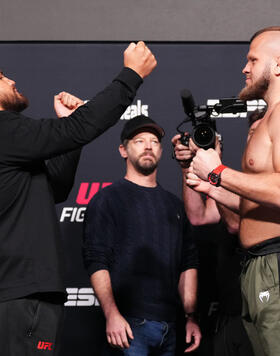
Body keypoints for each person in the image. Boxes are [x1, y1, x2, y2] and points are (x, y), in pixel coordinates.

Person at [0, 41, 157, 356]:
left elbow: (54, 189)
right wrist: (131, 75)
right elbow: (80, 128)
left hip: (21, 295)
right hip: (20, 296)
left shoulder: (11, 144)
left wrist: (69, 127)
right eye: (1, 77)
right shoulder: (4, 130)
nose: (11, 80)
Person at [183, 26, 280, 356]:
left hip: (275, 262)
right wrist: (210, 183)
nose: (245, 68)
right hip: (255, 265)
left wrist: (219, 172)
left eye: (253, 59)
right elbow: (256, 203)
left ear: (279, 65)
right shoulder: (265, 121)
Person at [83, 115, 201, 356]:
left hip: (171, 326)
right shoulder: (107, 200)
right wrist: (112, 314)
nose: (148, 146)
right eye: (139, 141)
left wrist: (190, 316)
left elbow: (187, 262)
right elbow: (97, 261)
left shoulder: (175, 206)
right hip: (128, 326)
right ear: (123, 150)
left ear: (160, 150)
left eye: (154, 141)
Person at [172, 129, 257, 356]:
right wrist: (188, 167)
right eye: (250, 132)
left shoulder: (268, 184)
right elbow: (199, 217)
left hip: (260, 308)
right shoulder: (234, 180)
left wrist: (214, 169)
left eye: (260, 130)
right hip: (229, 309)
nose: (254, 136)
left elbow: (235, 225)